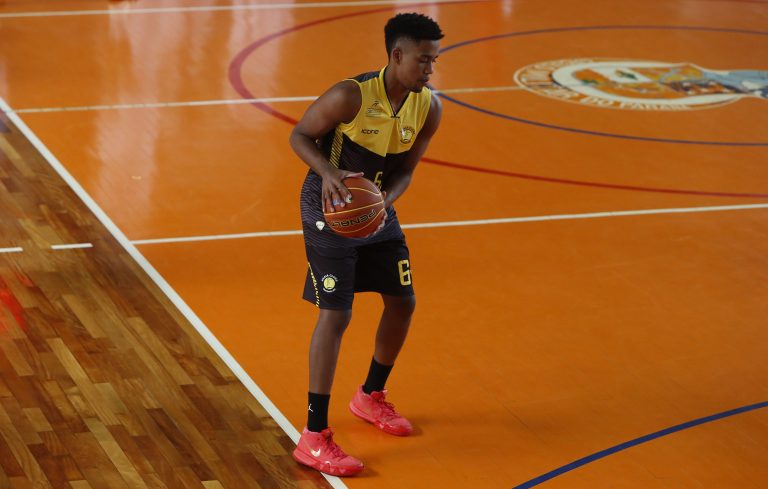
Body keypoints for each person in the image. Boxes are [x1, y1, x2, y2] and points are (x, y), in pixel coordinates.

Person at [288, 12, 444, 477]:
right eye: (423, 60)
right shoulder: (351, 95)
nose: (430, 70)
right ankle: (314, 435)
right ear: (396, 55)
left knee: (402, 301)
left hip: (374, 209)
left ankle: (370, 395)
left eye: (434, 61)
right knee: (337, 314)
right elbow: (299, 135)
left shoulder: (428, 107)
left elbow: (406, 170)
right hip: (329, 207)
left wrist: (383, 202)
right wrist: (329, 173)